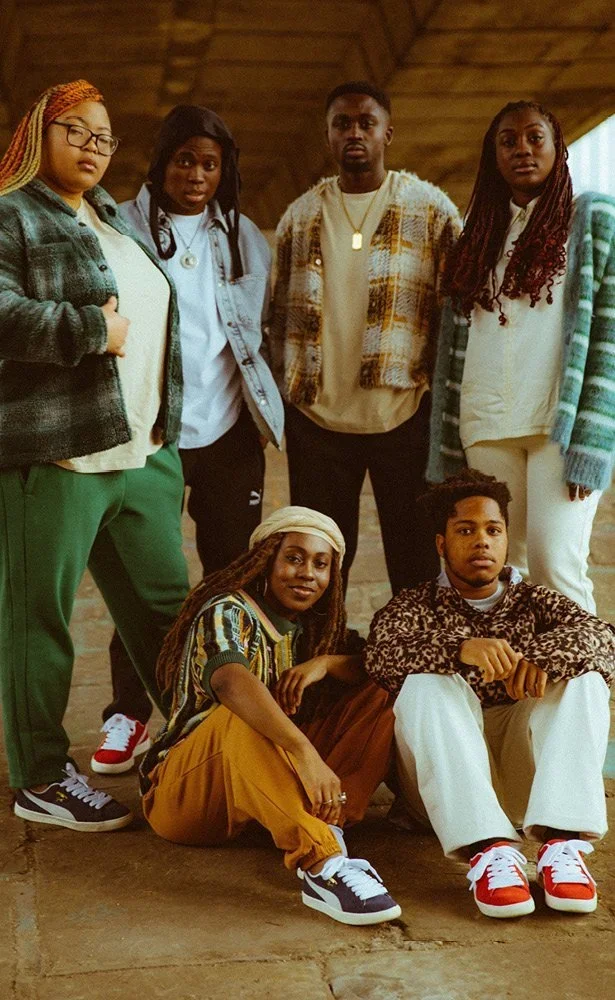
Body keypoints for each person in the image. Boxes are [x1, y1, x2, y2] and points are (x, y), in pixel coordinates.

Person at [0, 80, 189, 831]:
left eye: (103, 136)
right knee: (38, 619)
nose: (90, 145)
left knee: (167, 619)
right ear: (36, 135)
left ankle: (197, 748)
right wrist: (86, 328)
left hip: (141, 453)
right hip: (56, 455)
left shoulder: (114, 219)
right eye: (73, 129)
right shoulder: (11, 214)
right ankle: (41, 776)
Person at [89, 104, 284, 776]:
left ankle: (231, 705)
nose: (195, 174)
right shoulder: (120, 224)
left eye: (209, 163)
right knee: (145, 578)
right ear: (161, 162)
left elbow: (264, 327)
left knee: (232, 576)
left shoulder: (245, 238)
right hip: (151, 431)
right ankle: (129, 710)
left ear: (223, 169)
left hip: (228, 436)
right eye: (183, 160)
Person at [364, 469, 615, 919]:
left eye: (493, 530)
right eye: (466, 530)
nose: (481, 541)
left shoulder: (536, 600)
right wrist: (461, 651)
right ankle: (490, 851)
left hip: (525, 781)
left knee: (584, 677)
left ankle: (563, 844)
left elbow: (602, 638)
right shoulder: (413, 605)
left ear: (504, 540)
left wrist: (538, 659)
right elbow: (382, 655)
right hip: (442, 793)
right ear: (442, 544)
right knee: (424, 682)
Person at [140, 505, 401, 926]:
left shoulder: (315, 627)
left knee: (385, 685)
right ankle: (323, 863)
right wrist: (303, 752)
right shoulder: (227, 609)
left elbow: (371, 666)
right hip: (187, 796)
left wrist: (326, 663)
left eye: (321, 564)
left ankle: (329, 816)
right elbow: (229, 682)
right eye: (293, 558)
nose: (306, 574)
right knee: (238, 715)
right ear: (266, 560)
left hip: (261, 785)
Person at [270, 80, 461, 593]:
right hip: (317, 423)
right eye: (342, 124)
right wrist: (286, 397)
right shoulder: (301, 215)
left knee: (417, 559)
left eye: (365, 123)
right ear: (328, 136)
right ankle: (321, 668)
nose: (354, 133)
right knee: (319, 565)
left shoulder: (431, 211)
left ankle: (416, 671)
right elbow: (276, 315)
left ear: (387, 134)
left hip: (404, 417)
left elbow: (457, 314)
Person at [428, 100, 615, 612]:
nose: (522, 150)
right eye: (507, 142)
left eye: (535, 138)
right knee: (506, 576)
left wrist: (594, 439)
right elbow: (453, 349)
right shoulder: (478, 237)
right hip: (486, 421)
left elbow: (609, 336)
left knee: (557, 564)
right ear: (493, 156)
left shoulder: (592, 219)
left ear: (558, 147)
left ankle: (587, 691)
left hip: (559, 423)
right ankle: (521, 693)